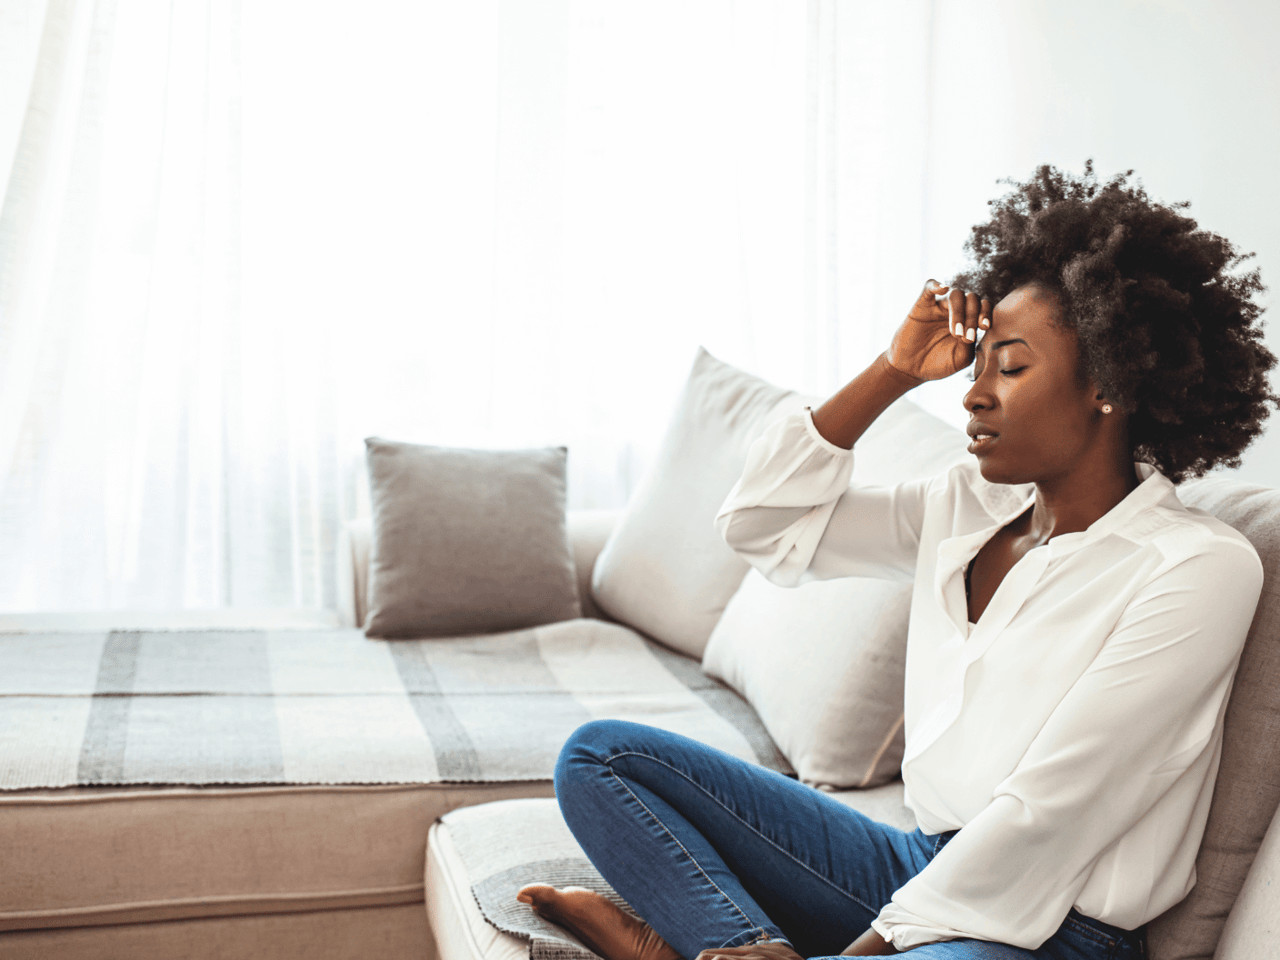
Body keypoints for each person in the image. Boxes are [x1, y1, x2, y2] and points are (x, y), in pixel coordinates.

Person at [516, 163, 1276, 959]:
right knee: (602, 757)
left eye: (1009, 367)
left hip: (1051, 927)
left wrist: (865, 951)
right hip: (915, 865)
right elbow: (761, 527)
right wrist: (892, 371)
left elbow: (1053, 811)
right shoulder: (965, 505)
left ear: (1109, 385)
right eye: (977, 367)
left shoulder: (1195, 567)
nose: (973, 395)